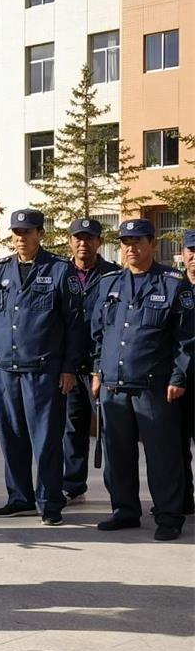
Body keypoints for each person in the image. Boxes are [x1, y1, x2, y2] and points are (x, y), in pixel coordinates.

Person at [91, 218, 193, 541]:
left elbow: (186, 339)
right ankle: (124, 510)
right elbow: (98, 333)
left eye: (137, 241)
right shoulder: (110, 284)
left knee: (162, 458)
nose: (130, 248)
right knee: (118, 455)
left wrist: (179, 376)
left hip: (154, 388)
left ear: (151, 243)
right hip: (114, 385)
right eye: (125, 242)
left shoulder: (173, 285)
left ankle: (169, 517)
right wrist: (97, 370)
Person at [0, 209, 85, 526]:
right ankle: (20, 498)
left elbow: (75, 324)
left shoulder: (59, 271)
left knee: (46, 439)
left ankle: (50, 501)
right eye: (16, 232)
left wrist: (69, 367)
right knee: (11, 437)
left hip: (43, 371)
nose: (20, 238)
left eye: (27, 232)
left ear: (40, 234)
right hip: (4, 370)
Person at [62, 218, 119, 505]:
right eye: (78, 238)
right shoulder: (60, 272)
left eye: (90, 238)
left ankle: (118, 492)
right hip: (70, 366)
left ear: (99, 242)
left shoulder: (114, 275)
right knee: (73, 428)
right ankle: (73, 487)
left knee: (110, 431)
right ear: (70, 241)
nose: (83, 244)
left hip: (103, 366)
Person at [181, 229, 195, 515]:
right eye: (190, 250)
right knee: (176, 445)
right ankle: (183, 500)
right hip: (179, 382)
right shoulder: (171, 287)